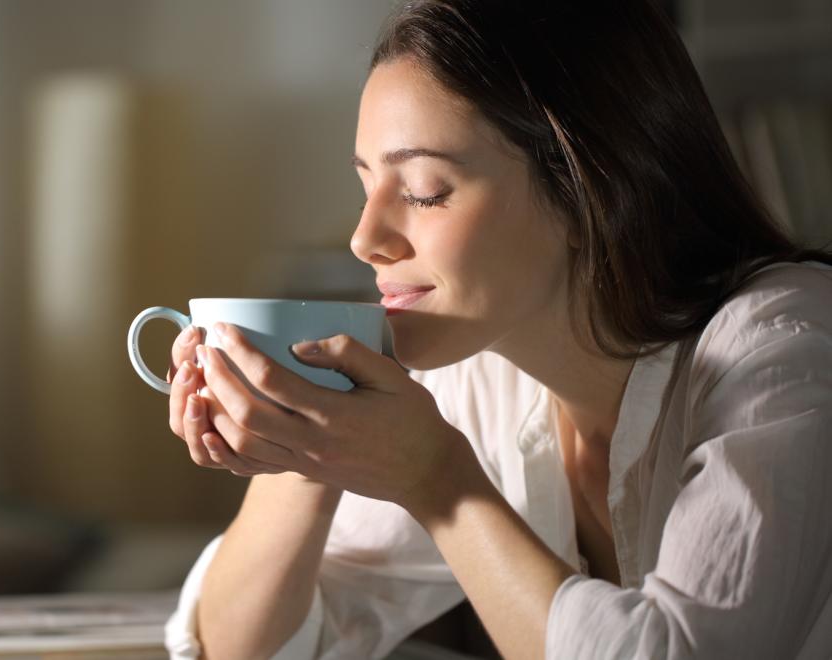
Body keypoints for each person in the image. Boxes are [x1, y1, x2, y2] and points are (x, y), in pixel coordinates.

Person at [161, 1, 832, 658]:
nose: (365, 240)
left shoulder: (783, 350)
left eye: (424, 189)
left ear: (585, 189)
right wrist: (305, 443)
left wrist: (440, 482)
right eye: (367, 187)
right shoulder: (477, 370)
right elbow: (233, 649)